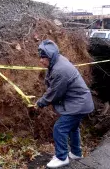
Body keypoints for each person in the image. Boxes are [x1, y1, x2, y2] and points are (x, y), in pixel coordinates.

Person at [36, 40, 94, 168]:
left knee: (59, 128)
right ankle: (76, 153)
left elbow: (55, 93)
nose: (41, 61)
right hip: (81, 101)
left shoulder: (60, 70)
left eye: (43, 58)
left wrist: (40, 102)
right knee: (73, 127)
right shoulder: (57, 61)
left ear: (50, 56)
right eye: (40, 57)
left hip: (79, 104)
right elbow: (53, 85)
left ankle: (62, 157)